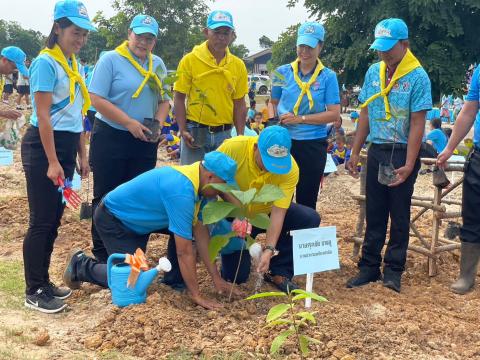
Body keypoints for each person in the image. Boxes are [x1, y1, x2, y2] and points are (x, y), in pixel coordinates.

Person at [63, 151, 239, 310]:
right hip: (115, 219)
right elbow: (183, 251)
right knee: (132, 281)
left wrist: (217, 278)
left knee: (186, 230)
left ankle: (175, 280)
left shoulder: (198, 185)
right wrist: (197, 296)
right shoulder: (181, 191)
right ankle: (80, 266)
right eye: (222, 186)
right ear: (210, 176)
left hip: (142, 221)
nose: (221, 193)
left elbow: (201, 235)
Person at [346, 18, 432, 293]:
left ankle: (394, 270)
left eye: (389, 49)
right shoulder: (374, 72)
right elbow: (366, 113)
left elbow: (418, 121)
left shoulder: (418, 76)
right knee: (375, 210)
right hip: (378, 148)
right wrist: (356, 150)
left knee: (399, 213)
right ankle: (369, 266)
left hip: (401, 151)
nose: (383, 54)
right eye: (380, 49)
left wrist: (409, 163)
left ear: (404, 44)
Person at [21, 0, 95, 313]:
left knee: (54, 219)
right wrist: (52, 162)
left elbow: (77, 116)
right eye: (75, 32)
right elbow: (44, 116)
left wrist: (83, 156)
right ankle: (33, 288)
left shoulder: (73, 64)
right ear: (57, 28)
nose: (80, 39)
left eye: (84, 34)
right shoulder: (46, 63)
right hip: (42, 148)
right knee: (41, 220)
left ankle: (44, 283)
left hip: (64, 148)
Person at [88, 14, 170, 263]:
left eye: (149, 38)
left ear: (154, 41)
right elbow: (96, 98)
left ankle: (134, 251)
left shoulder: (157, 64)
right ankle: (103, 255)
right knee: (106, 194)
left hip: (143, 139)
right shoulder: (111, 60)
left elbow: (164, 99)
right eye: (139, 36)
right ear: (129, 34)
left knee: (138, 196)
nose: (143, 42)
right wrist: (127, 122)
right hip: (111, 135)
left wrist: (157, 123)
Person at [207, 126, 321, 291]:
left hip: (264, 214)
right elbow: (211, 180)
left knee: (309, 218)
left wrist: (269, 249)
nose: (271, 168)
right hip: (235, 216)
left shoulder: (291, 169)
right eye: (268, 162)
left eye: (277, 164)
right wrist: (238, 212)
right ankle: (229, 249)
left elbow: (278, 212)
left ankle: (279, 270)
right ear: (255, 148)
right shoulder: (232, 148)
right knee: (236, 277)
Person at [271, 21, 341, 209]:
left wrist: (301, 119)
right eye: (301, 45)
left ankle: (303, 237)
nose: (305, 51)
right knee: (279, 198)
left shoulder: (329, 76)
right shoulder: (280, 72)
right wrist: (280, 119)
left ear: (321, 46)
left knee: (307, 199)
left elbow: (334, 114)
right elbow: (274, 103)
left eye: (310, 46)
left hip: (312, 143)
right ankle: (280, 238)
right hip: (284, 141)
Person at [173, 10, 248, 165]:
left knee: (219, 183)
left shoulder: (238, 65)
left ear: (232, 35)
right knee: (191, 180)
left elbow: (239, 103)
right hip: (195, 132)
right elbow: (179, 97)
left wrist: (240, 135)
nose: (221, 37)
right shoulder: (190, 60)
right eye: (216, 32)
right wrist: (183, 130)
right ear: (206, 32)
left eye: (226, 33)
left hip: (224, 134)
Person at [437, 65, 480, 294]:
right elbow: (469, 111)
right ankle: (466, 275)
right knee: (472, 215)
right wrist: (449, 147)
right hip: (479, 156)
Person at [0, 46, 26, 119]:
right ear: (4, 60)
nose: (15, 71)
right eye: (14, 67)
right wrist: (3, 113)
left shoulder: (2, 76)